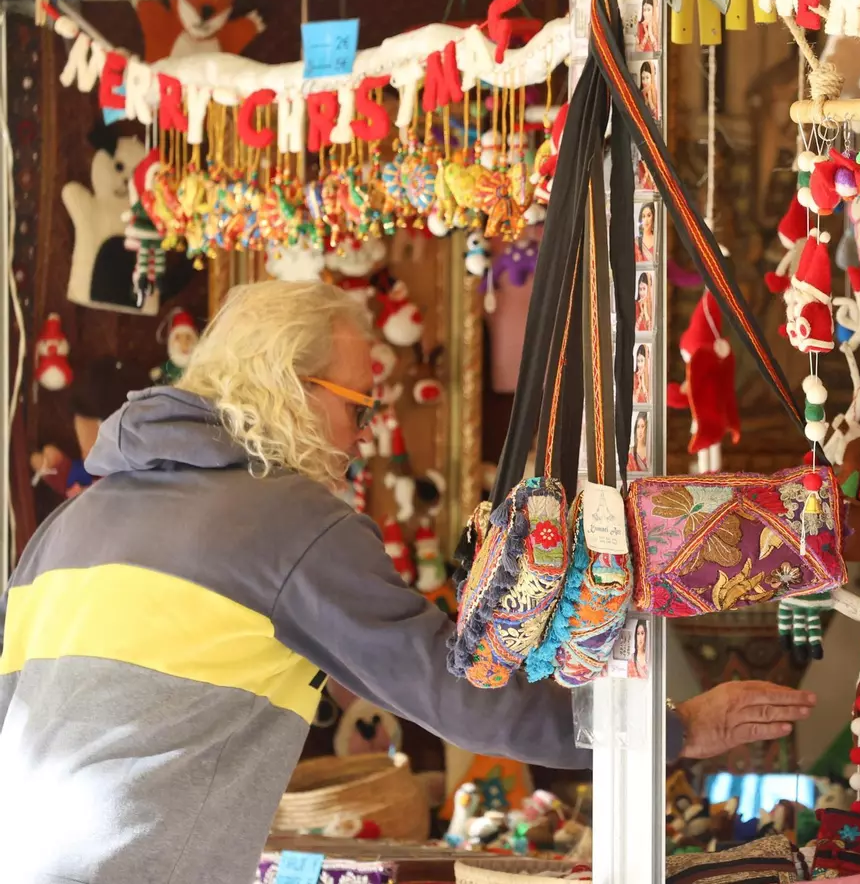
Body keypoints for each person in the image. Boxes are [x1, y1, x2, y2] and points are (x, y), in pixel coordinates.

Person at [0, 281, 815, 884]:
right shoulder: (285, 522)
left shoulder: (68, 526)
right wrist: (673, 732)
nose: (364, 435)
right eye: (360, 405)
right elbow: (462, 696)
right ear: (292, 391)